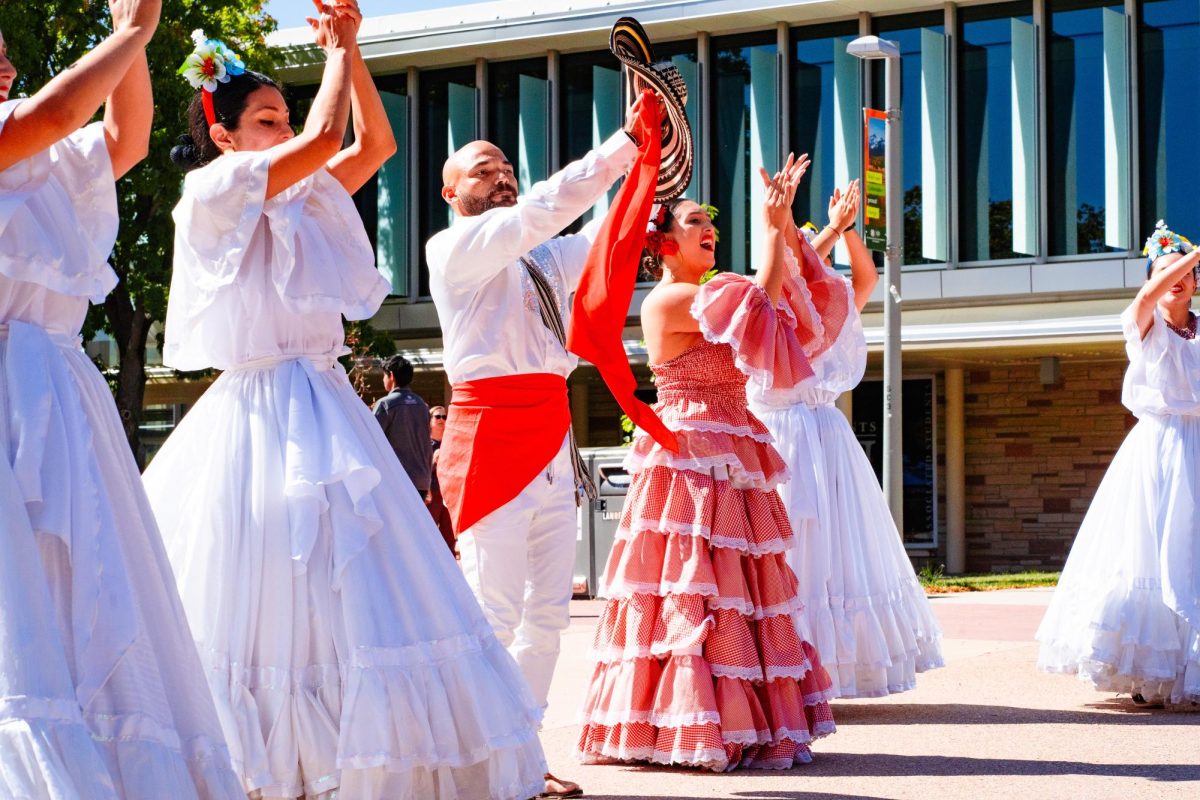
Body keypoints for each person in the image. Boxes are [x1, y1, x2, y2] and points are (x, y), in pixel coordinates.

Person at [141, 4, 548, 797]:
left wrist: (352, 49)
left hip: (318, 396)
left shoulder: (299, 194)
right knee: (263, 589)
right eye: (267, 118)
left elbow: (375, 144)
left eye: (283, 116)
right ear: (224, 135)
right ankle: (263, 764)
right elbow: (328, 141)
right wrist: (332, 59)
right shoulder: (214, 190)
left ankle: (334, 761)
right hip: (258, 406)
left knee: (349, 583)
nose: (284, 128)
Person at [0, 3, 245, 796]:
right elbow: (62, 109)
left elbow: (124, 138)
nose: (4, 65)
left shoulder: (37, 153)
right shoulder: (15, 134)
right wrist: (132, 30)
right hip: (12, 385)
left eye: (5, 53)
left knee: (77, 584)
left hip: (55, 386)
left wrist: (131, 43)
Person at [426, 82, 650, 800]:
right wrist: (620, 148)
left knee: (548, 613)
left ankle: (520, 751)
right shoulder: (454, 247)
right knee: (490, 609)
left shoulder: (543, 255)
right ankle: (475, 755)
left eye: (504, 167)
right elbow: (549, 208)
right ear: (449, 192)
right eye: (481, 169)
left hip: (552, 434)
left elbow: (609, 236)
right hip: (489, 430)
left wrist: (652, 159)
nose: (499, 176)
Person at [577, 156, 837, 770]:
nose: (708, 228)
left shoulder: (710, 294)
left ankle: (740, 724)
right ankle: (684, 726)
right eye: (695, 221)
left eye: (711, 221)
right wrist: (774, 224)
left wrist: (785, 229)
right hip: (690, 456)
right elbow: (757, 303)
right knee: (695, 587)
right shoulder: (671, 299)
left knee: (740, 590)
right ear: (665, 242)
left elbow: (766, 312)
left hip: (730, 446)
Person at [746, 181, 945, 699]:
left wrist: (845, 229)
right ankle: (788, 663)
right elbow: (791, 264)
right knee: (795, 543)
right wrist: (812, 226)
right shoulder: (764, 308)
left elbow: (863, 276)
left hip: (825, 437)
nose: (811, 265)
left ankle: (829, 666)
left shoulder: (830, 313)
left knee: (835, 548)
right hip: (784, 432)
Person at [1036, 221, 1200, 709]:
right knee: (1150, 550)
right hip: (1159, 446)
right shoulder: (1144, 324)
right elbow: (1145, 299)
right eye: (1165, 270)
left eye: (1186, 272)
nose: (1177, 278)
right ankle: (1148, 671)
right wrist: (1189, 255)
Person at [372, 353, 432, 495]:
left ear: (391, 376)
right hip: (422, 480)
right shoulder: (422, 405)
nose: (383, 379)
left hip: (397, 481)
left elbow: (371, 440)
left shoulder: (386, 404)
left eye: (384, 375)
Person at [427, 404, 457, 555]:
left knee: (449, 535)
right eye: (437, 416)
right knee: (429, 533)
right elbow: (420, 470)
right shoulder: (423, 444)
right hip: (432, 493)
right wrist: (434, 460)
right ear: (430, 420)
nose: (441, 420)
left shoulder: (452, 443)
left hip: (450, 494)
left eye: (444, 417)